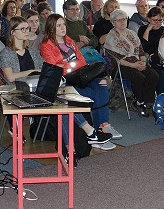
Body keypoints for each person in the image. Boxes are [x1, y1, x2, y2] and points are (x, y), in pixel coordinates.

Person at [40, 14, 119, 151]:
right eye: (58, 25)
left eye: (64, 24)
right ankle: (94, 135)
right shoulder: (47, 45)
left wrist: (70, 64)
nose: (63, 28)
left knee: (101, 85)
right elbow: (56, 67)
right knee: (90, 94)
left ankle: (103, 126)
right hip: (66, 81)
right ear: (51, 28)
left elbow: (82, 61)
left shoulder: (69, 41)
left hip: (80, 76)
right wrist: (72, 65)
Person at [105, 9, 159, 117]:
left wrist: (143, 61)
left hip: (137, 62)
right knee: (139, 77)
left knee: (154, 75)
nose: (122, 22)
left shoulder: (132, 33)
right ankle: (138, 102)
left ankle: (147, 102)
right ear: (113, 23)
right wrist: (134, 65)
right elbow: (117, 58)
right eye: (119, 20)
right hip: (121, 65)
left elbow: (140, 50)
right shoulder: (111, 37)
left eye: (124, 19)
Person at [137, 6, 164, 94]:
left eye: (160, 20)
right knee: (161, 74)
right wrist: (147, 30)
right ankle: (161, 100)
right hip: (148, 58)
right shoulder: (142, 29)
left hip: (162, 56)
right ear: (148, 19)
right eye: (155, 20)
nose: (158, 23)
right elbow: (142, 47)